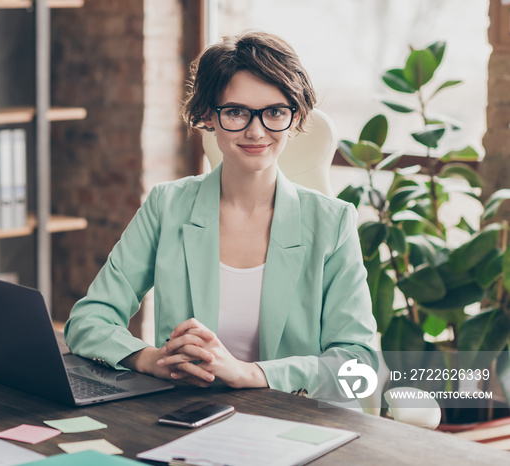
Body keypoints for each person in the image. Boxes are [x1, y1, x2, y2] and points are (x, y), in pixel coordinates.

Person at [64, 31, 377, 396]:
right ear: (209, 116)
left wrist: (251, 373)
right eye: (236, 112)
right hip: (185, 414)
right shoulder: (167, 206)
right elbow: (88, 320)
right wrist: (149, 359)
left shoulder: (333, 222)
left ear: (295, 118)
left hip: (292, 423)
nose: (256, 130)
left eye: (275, 112)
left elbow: (359, 362)